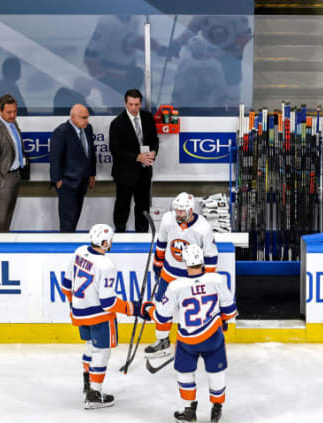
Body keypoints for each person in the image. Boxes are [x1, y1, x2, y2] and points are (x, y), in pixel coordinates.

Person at [141, 244, 237, 423]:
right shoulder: (217, 279)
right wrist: (222, 322)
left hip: (187, 341)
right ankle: (217, 409)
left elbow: (162, 317)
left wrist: (148, 309)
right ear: (202, 261)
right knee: (216, 373)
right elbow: (230, 310)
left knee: (185, 373)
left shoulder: (176, 286)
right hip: (213, 338)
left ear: (185, 262)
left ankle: (189, 411)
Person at [61, 224, 147, 409]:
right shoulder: (106, 265)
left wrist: (74, 306)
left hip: (78, 311)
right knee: (102, 351)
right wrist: (135, 308)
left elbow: (66, 285)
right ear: (105, 242)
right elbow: (108, 303)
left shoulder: (79, 251)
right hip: (98, 315)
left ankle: (87, 384)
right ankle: (95, 393)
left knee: (90, 345)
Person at [147, 192, 219, 357]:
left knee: (196, 311)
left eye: (182, 211)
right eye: (177, 210)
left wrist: (205, 279)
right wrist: (158, 264)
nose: (178, 214)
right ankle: (163, 340)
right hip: (169, 273)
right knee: (160, 307)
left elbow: (211, 256)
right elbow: (162, 243)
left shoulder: (203, 227)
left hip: (190, 277)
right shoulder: (167, 219)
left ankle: (201, 341)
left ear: (191, 210)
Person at [109, 89, 159, 232]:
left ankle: (142, 234)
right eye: (130, 104)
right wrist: (137, 157)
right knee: (122, 206)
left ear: (140, 103)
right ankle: (119, 233)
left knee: (143, 205)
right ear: (125, 104)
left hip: (145, 171)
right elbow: (116, 151)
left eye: (136, 104)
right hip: (125, 173)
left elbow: (155, 140)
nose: (134, 108)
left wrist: (153, 152)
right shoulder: (117, 124)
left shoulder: (148, 118)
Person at [0, 94, 29, 232]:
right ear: (0, 111)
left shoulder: (13, 123)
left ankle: (4, 247)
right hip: (3, 179)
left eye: (15, 111)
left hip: (15, 176)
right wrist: (0, 183)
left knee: (7, 216)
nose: (13, 115)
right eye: (9, 112)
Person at [50, 104, 96, 232]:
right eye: (84, 118)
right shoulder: (61, 132)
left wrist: (92, 174)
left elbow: (91, 153)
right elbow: (55, 159)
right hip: (67, 184)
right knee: (67, 222)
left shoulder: (88, 129)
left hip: (82, 182)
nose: (87, 120)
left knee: (75, 218)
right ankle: (65, 248)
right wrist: (58, 181)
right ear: (73, 117)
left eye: (87, 117)